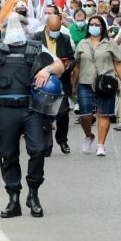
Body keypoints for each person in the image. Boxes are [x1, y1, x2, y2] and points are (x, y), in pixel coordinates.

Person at [0, 13, 65, 218]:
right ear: (3, 29)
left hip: (32, 109)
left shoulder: (36, 47)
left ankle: (33, 193)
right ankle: (13, 199)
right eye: (9, 24)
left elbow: (60, 65)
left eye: (19, 23)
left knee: (39, 149)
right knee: (8, 154)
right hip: (5, 110)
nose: (14, 27)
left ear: (25, 27)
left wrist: (47, 69)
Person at [71, 15, 121, 156]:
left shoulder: (110, 43)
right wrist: (73, 84)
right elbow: (77, 65)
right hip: (85, 83)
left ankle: (101, 145)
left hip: (105, 83)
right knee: (85, 115)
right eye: (91, 24)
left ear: (102, 27)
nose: (94, 27)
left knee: (104, 114)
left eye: (97, 24)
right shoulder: (82, 43)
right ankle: (89, 135)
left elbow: (117, 63)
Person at [34, 14, 75, 156]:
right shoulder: (36, 38)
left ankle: (62, 139)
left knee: (63, 112)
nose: (56, 32)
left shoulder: (65, 38)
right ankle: (47, 145)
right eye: (53, 29)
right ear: (46, 27)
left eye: (58, 29)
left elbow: (71, 59)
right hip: (42, 82)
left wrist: (66, 66)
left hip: (60, 81)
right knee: (44, 114)